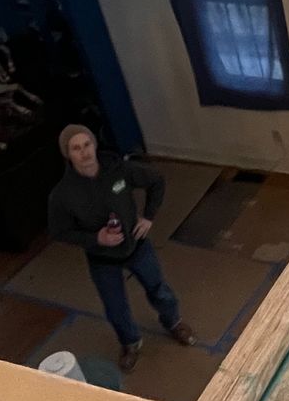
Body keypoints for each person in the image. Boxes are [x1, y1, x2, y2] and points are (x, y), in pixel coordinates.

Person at [47, 124, 196, 371]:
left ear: (94, 144)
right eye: (76, 148)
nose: (84, 152)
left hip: (136, 247)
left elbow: (156, 180)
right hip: (102, 259)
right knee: (115, 307)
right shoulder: (62, 195)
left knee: (159, 289)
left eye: (87, 144)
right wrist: (97, 238)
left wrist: (148, 217)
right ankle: (130, 342)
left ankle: (173, 322)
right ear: (68, 154)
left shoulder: (119, 170)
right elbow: (59, 232)